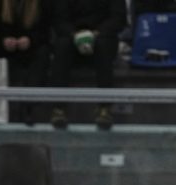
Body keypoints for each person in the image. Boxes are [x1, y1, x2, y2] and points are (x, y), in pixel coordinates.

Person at [49, 0, 127, 130]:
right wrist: (75, 34)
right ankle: (59, 108)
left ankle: (104, 108)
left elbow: (118, 18)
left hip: (102, 37)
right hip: (72, 37)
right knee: (62, 47)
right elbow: (59, 20)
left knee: (103, 47)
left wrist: (96, 33)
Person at [0, 0, 55, 124]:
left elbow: (45, 30)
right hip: (2, 45)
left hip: (30, 46)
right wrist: (3, 40)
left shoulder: (42, 3)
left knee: (43, 52)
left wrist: (30, 40)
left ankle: (30, 109)